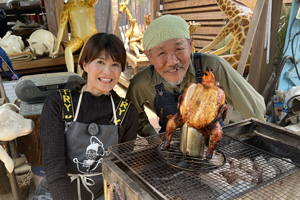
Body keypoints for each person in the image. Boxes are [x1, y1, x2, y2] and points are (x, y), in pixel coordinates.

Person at [32, 33, 138, 200]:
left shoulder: (126, 112)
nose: (107, 72)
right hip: (59, 191)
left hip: (105, 192)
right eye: (100, 62)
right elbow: (53, 165)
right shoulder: (59, 103)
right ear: (85, 64)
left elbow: (122, 168)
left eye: (115, 64)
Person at [126, 15, 266, 137]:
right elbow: (131, 115)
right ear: (149, 56)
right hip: (170, 147)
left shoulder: (213, 67)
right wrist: (154, 139)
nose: (173, 62)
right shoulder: (141, 83)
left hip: (214, 142)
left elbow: (254, 108)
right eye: (161, 53)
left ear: (190, 43)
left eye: (179, 49)